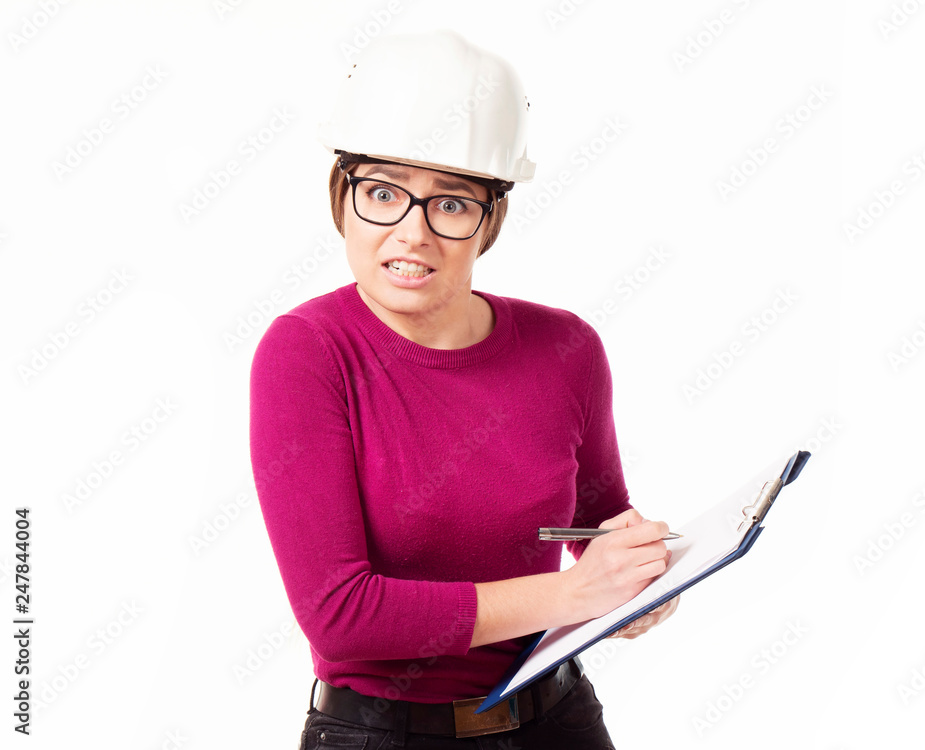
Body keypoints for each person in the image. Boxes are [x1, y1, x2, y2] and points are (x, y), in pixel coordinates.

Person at [249, 30, 679, 749]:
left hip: (558, 719)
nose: (412, 233)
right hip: (383, 735)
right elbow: (340, 614)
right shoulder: (308, 352)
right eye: (383, 193)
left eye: (450, 203)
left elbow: (597, 523)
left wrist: (634, 583)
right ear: (341, 199)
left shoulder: (565, 347)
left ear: (491, 217)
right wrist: (576, 595)